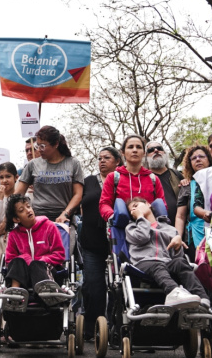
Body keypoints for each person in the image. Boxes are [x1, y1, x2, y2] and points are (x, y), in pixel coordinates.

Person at [125, 197, 209, 310]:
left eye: (136, 205)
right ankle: (173, 292)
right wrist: (140, 217)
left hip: (166, 262)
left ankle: (202, 298)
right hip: (143, 263)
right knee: (157, 264)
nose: (134, 209)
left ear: (148, 204)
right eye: (132, 209)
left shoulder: (169, 229)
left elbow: (176, 257)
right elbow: (142, 237)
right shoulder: (131, 228)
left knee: (180, 262)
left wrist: (178, 244)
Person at [0, 193, 68, 310]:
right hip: (23, 275)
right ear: (16, 219)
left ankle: (46, 295)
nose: (28, 210)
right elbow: (10, 260)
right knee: (17, 261)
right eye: (22, 210)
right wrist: (26, 259)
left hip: (47, 271)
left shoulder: (49, 226)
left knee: (37, 264)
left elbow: (60, 254)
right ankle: (15, 296)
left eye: (28, 206)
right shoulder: (14, 235)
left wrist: (40, 260)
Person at [80, 146, 119, 340]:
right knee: (93, 286)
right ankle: (90, 328)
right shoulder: (88, 181)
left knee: (117, 287)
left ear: (117, 161)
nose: (102, 161)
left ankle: (113, 329)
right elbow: (78, 203)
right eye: (100, 158)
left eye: (107, 158)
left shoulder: (122, 180)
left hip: (117, 243)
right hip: (91, 242)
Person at [16, 126, 84, 223]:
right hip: (38, 220)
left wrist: (65, 213)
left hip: (64, 220)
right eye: (37, 146)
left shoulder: (73, 163)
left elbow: (78, 194)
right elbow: (17, 195)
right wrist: (7, 221)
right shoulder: (33, 164)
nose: (39, 150)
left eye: (42, 146)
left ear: (56, 144)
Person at [99, 135, 164, 222]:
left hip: (150, 229)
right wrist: (113, 217)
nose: (134, 150)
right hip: (122, 231)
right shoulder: (113, 177)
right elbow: (104, 203)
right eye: (130, 147)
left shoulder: (153, 179)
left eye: (138, 147)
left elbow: (162, 205)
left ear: (144, 153)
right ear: (123, 152)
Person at [175, 144, 212, 253]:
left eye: (202, 156)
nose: (198, 160)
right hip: (193, 237)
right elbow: (180, 216)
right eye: (194, 158)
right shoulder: (186, 186)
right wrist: (178, 237)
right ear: (189, 163)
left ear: (209, 159)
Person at [143, 141, 183, 220]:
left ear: (164, 153)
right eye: (151, 150)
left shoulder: (176, 174)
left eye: (159, 148)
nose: (156, 150)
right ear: (146, 157)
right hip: (155, 227)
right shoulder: (143, 178)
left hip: (181, 226)